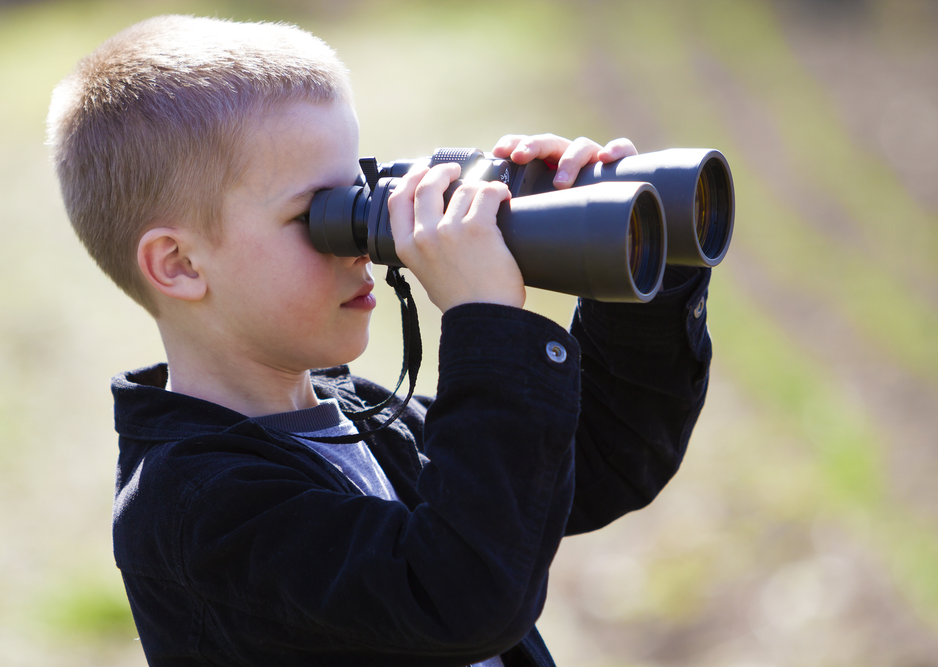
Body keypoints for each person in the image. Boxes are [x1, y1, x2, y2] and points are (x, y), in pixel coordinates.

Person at [46, 14, 712, 667]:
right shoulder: (194, 507)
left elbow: (598, 460)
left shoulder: (358, 417)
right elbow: (460, 595)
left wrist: (638, 261)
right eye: (318, 216)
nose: (362, 246)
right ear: (181, 265)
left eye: (361, 195)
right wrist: (487, 327)